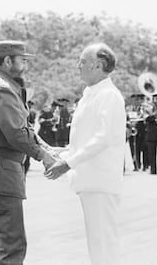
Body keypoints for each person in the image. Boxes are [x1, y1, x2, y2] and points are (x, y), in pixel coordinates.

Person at [0, 40, 56, 265]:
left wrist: (46, 148)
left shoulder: (2, 85)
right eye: (22, 60)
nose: (25, 66)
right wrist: (43, 156)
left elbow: (23, 128)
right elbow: (17, 134)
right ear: (8, 60)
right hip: (1, 169)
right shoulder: (1, 88)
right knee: (12, 241)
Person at [45, 43, 126, 265]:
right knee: (97, 242)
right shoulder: (91, 94)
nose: (78, 67)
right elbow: (83, 140)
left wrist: (68, 163)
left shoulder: (108, 95)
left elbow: (103, 138)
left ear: (98, 65)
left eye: (82, 62)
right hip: (90, 181)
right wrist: (60, 153)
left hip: (101, 181)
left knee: (103, 244)